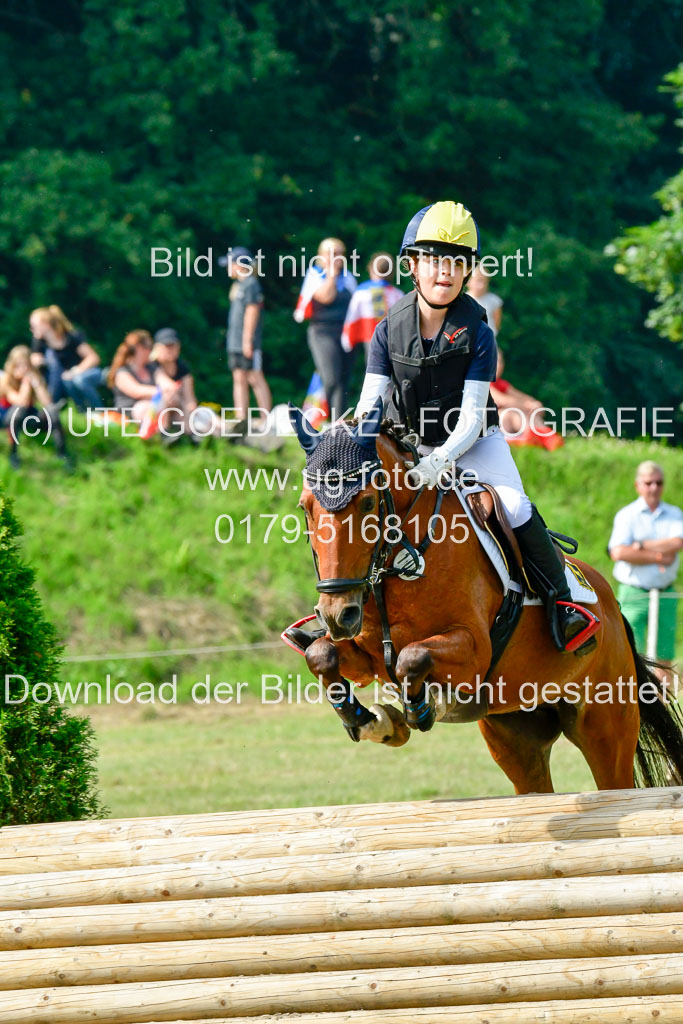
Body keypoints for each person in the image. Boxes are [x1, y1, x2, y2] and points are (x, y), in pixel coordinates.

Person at [351, 200, 599, 653]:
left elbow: (469, 417)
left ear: (467, 271)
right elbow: (369, 403)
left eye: (456, 262)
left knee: (513, 505)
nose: (445, 271)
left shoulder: (479, 333)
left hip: (474, 443)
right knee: (355, 503)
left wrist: (441, 461)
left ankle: (563, 604)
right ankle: (340, 607)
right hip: (409, 446)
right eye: (433, 259)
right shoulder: (387, 329)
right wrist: (351, 446)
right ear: (412, 265)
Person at [608, 461, 682, 678]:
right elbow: (618, 552)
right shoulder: (626, 515)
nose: (654, 488)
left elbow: (678, 542)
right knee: (632, 653)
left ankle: (662, 698)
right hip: (634, 592)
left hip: (665, 591)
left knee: (664, 656)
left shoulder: (674, 513)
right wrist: (659, 556)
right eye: (649, 483)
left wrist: (639, 545)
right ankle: (636, 697)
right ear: (638, 485)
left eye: (659, 483)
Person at [294, 237, 357, 422]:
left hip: (344, 333)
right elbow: (325, 297)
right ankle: (319, 418)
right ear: (321, 256)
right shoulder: (315, 275)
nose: (337, 258)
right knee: (331, 378)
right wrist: (332, 275)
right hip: (322, 333)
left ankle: (339, 423)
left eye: (340, 254)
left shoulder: (348, 277)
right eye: (332, 254)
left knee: (343, 380)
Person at [220, 246, 272, 426]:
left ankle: (266, 419)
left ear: (240, 265)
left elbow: (252, 312)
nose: (228, 268)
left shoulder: (251, 284)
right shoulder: (239, 285)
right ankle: (241, 419)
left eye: (230, 264)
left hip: (246, 342)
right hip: (235, 342)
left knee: (254, 377)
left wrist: (247, 341)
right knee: (239, 378)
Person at [0, 345, 70, 469]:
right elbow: (21, 402)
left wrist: (36, 382)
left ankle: (63, 454)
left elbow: (47, 402)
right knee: (18, 411)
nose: (23, 369)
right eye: (19, 365)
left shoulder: (34, 377)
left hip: (28, 416)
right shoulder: (6, 380)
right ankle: (13, 453)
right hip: (8, 417)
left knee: (52, 411)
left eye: (26, 365)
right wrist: (26, 383)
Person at [29, 306, 104, 410]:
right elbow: (34, 359)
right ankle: (80, 411)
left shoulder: (71, 337)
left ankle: (98, 410)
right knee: (62, 375)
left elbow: (93, 358)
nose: (32, 329)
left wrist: (75, 371)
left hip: (82, 373)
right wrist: (38, 361)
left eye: (34, 326)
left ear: (46, 324)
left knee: (77, 380)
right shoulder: (40, 342)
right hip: (59, 381)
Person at [108, 330, 180, 439]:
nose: (151, 351)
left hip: (153, 408)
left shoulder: (152, 369)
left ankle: (171, 434)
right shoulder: (122, 372)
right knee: (152, 403)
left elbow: (166, 383)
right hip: (130, 412)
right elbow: (136, 391)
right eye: (149, 347)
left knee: (169, 401)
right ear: (139, 348)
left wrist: (169, 391)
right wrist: (160, 392)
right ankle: (159, 434)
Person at [491, 349, 563, 450]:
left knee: (529, 412)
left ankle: (546, 435)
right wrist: (527, 405)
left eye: (500, 361)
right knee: (512, 413)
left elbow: (521, 396)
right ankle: (534, 436)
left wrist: (533, 404)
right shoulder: (483, 383)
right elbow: (501, 400)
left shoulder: (501, 383)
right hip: (489, 424)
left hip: (501, 424)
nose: (499, 365)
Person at [342, 253, 404, 362]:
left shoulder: (361, 292)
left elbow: (352, 316)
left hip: (371, 336)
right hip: (394, 340)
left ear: (371, 269)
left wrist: (347, 339)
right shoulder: (398, 294)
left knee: (373, 365)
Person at [466, 265, 503, 337]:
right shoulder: (463, 300)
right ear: (468, 281)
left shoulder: (494, 301)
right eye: (478, 281)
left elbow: (497, 324)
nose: (482, 285)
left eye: (484, 281)